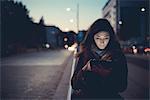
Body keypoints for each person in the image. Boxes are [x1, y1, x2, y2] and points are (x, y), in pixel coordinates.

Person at [71, 19, 128, 99]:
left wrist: (107, 75)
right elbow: (74, 84)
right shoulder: (85, 54)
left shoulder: (118, 56)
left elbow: (122, 86)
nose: (102, 42)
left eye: (106, 38)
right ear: (92, 37)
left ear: (110, 38)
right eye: (98, 38)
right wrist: (84, 70)